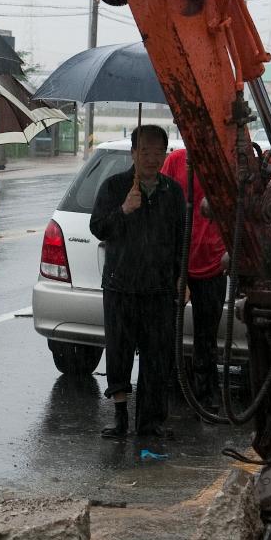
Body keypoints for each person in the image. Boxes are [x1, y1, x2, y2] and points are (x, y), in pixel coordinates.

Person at [89, 124, 184, 439]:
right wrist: (124, 210)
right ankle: (120, 419)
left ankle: (149, 421)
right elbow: (98, 227)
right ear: (133, 153)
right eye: (145, 151)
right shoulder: (116, 187)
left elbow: (180, 239)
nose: (151, 158)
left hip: (159, 289)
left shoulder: (173, 192)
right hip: (121, 286)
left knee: (157, 357)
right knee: (119, 353)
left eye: (158, 152)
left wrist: (182, 278)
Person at [162, 147, 228, 413]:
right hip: (178, 263)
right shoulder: (176, 161)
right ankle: (169, 388)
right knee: (165, 333)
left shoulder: (221, 163)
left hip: (211, 263)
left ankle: (206, 394)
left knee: (206, 337)